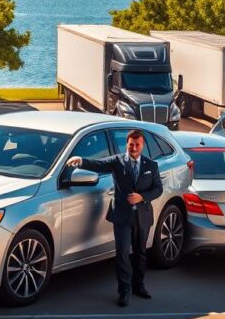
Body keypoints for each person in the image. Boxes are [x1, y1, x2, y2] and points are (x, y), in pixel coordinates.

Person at [66, 129, 163, 307]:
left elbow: (158, 189)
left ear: (142, 146)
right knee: (123, 253)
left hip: (142, 217)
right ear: (127, 144)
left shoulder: (151, 166)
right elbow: (98, 164)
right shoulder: (117, 161)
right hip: (122, 217)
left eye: (137, 144)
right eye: (131, 144)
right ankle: (124, 292)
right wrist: (80, 161)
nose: (134, 147)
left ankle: (138, 286)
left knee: (141, 254)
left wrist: (142, 197)